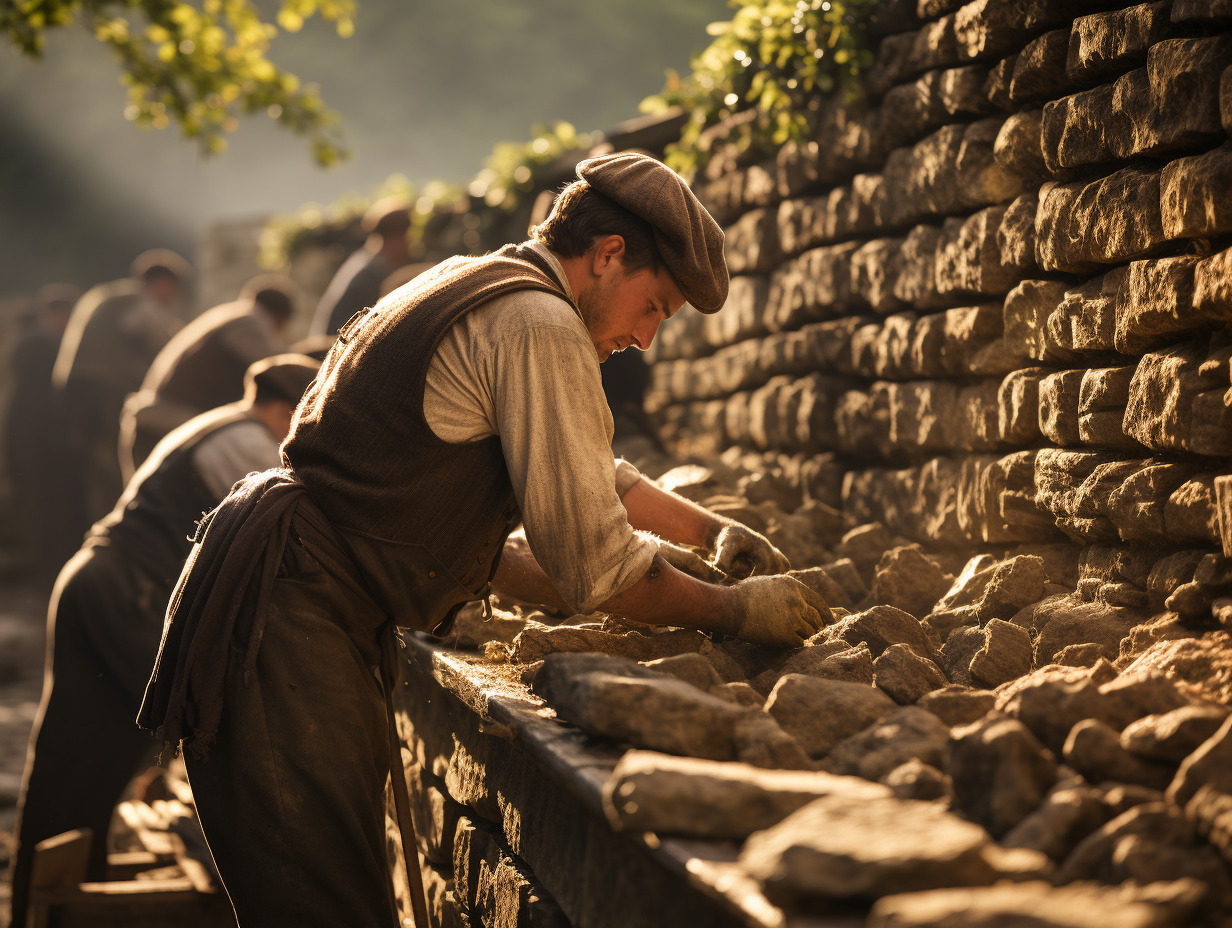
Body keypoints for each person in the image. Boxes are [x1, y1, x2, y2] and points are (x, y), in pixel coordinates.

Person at [138, 152, 830, 928]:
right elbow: (596, 568)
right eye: (655, 306)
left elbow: (589, 474)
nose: (645, 336)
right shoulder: (538, 324)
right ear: (607, 256)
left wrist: (709, 530)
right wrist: (734, 611)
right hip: (288, 616)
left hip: (293, 593)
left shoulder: (479, 281)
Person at [8, 355, 320, 928]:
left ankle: (60, 887)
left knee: (92, 745)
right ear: (283, 410)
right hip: (123, 589)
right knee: (185, 726)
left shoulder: (216, 426)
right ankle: (53, 898)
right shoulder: (243, 442)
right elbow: (298, 525)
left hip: (103, 582)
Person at [51, 249, 191, 539]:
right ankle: (119, 534)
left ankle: (98, 530)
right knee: (116, 462)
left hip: (76, 390)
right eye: (172, 288)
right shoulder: (137, 299)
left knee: (95, 466)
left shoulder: (108, 294)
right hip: (102, 389)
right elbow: (161, 342)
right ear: (160, 282)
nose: (172, 296)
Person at [119, 274, 297, 476]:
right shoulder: (250, 321)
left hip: (158, 420)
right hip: (170, 423)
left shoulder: (228, 315)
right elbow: (283, 367)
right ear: (279, 319)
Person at [4, 284, 81, 585]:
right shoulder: (42, 344)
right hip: (38, 435)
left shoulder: (32, 342)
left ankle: (50, 566)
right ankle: (48, 567)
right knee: (43, 501)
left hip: (36, 433)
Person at [309, 196, 413, 337]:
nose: (412, 244)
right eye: (409, 236)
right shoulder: (371, 275)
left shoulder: (365, 261)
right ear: (397, 238)